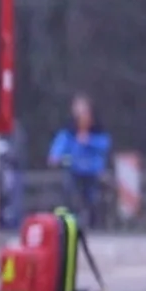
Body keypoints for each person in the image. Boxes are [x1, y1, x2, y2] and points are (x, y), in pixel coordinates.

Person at [47, 93, 110, 227]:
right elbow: (61, 143)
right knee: (71, 194)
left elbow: (104, 144)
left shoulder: (97, 129)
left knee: (93, 198)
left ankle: (95, 222)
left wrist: (89, 141)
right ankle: (71, 221)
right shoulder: (70, 130)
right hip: (74, 168)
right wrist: (55, 155)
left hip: (93, 170)